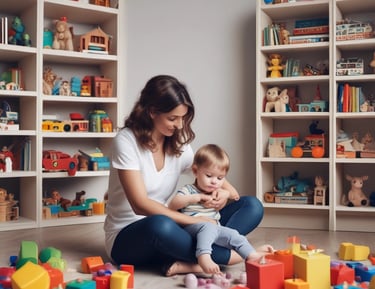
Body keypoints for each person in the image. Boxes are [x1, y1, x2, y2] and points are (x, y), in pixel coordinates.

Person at [103, 75, 264, 276]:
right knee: (160, 224)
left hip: (177, 227)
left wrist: (224, 193)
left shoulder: (177, 142)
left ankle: (197, 258)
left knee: (252, 206)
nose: (179, 125)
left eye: (182, 118)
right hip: (129, 236)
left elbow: (214, 176)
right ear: (152, 112)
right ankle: (231, 255)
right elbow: (140, 204)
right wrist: (196, 222)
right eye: (172, 118)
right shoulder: (126, 141)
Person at [169, 144, 273, 274]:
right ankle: (204, 256)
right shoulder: (189, 190)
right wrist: (195, 198)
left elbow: (235, 195)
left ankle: (251, 255)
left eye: (219, 178)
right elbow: (173, 205)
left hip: (216, 228)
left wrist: (225, 193)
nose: (214, 182)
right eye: (209, 176)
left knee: (234, 235)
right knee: (208, 227)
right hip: (194, 229)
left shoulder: (217, 190)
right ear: (195, 171)